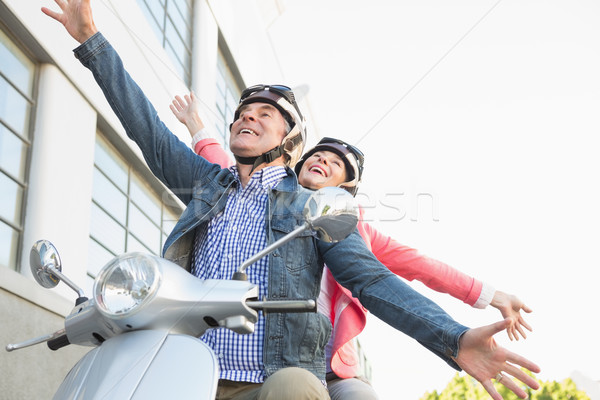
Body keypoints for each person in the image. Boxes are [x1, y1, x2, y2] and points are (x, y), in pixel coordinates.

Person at [41, 2, 540, 400]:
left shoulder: (313, 207)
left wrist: (451, 338)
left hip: (270, 377)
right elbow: (147, 131)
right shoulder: (207, 183)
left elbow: (373, 278)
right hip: (183, 370)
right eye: (241, 112)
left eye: (263, 114)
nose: (246, 118)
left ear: (290, 139)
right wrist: (91, 39)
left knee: (296, 387)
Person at [170, 93, 534, 399]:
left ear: (343, 190)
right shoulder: (259, 196)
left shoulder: (352, 227)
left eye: (335, 164)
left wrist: (490, 295)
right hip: (262, 359)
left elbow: (419, 267)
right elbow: (222, 164)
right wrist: (195, 125)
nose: (322, 161)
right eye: (317, 156)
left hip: (329, 368)